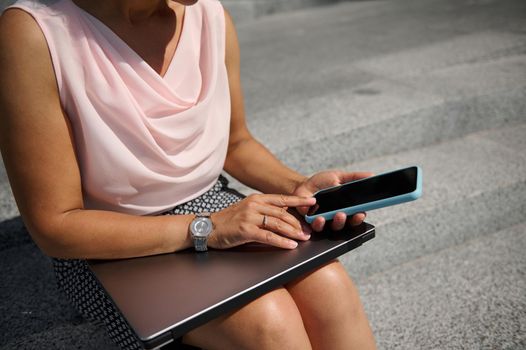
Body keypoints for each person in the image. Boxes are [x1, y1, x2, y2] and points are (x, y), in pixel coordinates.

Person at [0, 0, 376, 349]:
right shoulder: (35, 35)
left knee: (330, 286)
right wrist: (206, 229)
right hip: (109, 248)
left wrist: (299, 188)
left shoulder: (210, 16)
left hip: (218, 209)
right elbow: (56, 226)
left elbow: (236, 143)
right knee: (269, 321)